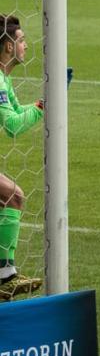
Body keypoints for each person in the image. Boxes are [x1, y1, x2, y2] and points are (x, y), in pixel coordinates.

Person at [0, 16, 44, 301]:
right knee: (12, 196)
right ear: (7, 46)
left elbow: (17, 113)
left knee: (9, 198)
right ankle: (6, 275)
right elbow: (13, 125)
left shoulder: (5, 78)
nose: (26, 45)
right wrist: (44, 106)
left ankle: (6, 274)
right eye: (22, 39)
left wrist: (44, 103)